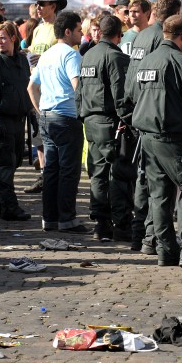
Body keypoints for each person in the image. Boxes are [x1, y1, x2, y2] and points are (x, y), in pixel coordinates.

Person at [131, 15, 182, 269]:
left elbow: (132, 94)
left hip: (147, 136)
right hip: (174, 138)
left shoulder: (146, 61)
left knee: (160, 195)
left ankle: (165, 249)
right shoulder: (181, 62)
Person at [117, 0, 182, 252]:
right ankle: (151, 235)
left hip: (138, 110)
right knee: (157, 180)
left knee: (145, 177)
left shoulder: (142, 35)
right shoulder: (159, 38)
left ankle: (142, 235)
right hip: (155, 113)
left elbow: (133, 75)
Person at [76, 14, 134, 241]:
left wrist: (84, 116)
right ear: (119, 35)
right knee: (118, 174)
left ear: (99, 32)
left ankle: (101, 223)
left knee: (98, 174)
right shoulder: (115, 58)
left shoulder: (88, 55)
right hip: (110, 122)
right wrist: (128, 120)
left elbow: (79, 92)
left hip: (91, 121)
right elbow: (121, 95)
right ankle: (121, 223)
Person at [28, 11, 87, 233]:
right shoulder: (71, 55)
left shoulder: (47, 55)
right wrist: (82, 111)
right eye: (79, 30)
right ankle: (67, 220)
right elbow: (77, 86)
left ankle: (49, 219)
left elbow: (31, 87)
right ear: (68, 31)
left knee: (51, 170)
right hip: (65, 118)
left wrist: (41, 111)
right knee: (69, 171)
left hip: (47, 118)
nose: (81, 34)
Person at [0, 21, 33, 222]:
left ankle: (0, 206)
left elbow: (26, 88)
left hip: (19, 120)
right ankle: (10, 206)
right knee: (4, 164)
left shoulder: (21, 60)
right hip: (1, 119)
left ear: (13, 39)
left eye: (3, 38)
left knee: (14, 162)